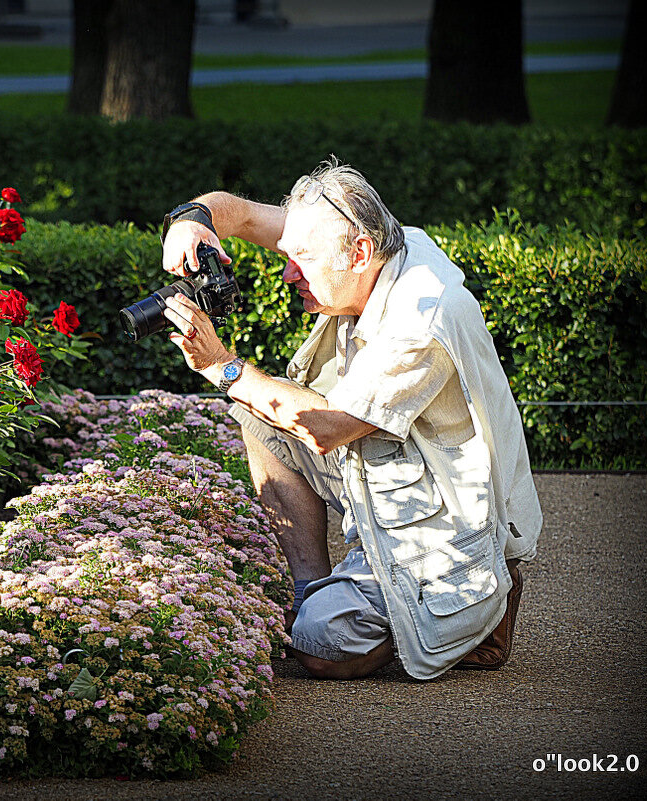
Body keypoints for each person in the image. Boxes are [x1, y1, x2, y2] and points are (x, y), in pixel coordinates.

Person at [159, 159, 541, 680]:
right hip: (395, 471)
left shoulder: (422, 318)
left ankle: (480, 611)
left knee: (318, 649)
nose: (288, 273)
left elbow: (325, 427)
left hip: (447, 523)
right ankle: (310, 592)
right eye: (289, 255)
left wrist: (220, 365)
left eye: (302, 260)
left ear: (359, 253)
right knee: (261, 419)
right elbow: (242, 215)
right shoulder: (366, 240)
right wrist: (192, 220)